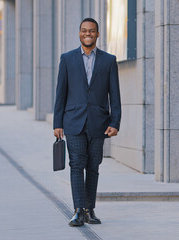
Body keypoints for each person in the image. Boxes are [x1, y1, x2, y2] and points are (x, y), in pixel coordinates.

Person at [53, 18, 121, 227]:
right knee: (76, 165)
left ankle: (90, 209)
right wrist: (57, 123)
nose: (88, 34)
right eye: (84, 31)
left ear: (98, 34)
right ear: (79, 33)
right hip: (73, 122)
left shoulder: (109, 60)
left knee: (93, 167)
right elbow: (60, 93)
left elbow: (115, 96)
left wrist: (115, 122)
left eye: (92, 31)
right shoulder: (67, 59)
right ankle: (78, 210)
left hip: (99, 123)